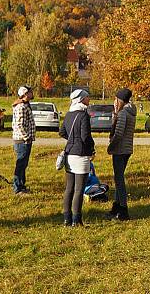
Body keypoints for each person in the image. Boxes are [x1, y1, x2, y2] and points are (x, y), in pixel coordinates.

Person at [59, 89, 95, 227]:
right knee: (79, 189)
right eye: (87, 97)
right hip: (81, 155)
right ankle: (76, 220)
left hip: (69, 153)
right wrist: (91, 148)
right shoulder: (83, 115)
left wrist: (73, 140)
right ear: (81, 99)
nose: (89, 99)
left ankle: (66, 218)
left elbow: (62, 132)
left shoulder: (69, 114)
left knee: (69, 188)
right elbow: (86, 136)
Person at [107, 88, 136, 221]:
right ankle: (116, 206)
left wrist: (111, 146)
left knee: (119, 181)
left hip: (120, 150)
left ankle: (123, 210)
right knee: (118, 178)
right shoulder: (130, 111)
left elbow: (118, 133)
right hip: (127, 149)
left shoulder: (124, 113)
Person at [11, 85, 35, 195]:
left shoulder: (25, 105)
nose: (32, 93)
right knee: (20, 164)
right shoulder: (21, 107)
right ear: (25, 94)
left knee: (23, 164)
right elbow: (19, 125)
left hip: (24, 140)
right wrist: (26, 138)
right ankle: (17, 188)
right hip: (22, 141)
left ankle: (21, 185)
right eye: (30, 92)